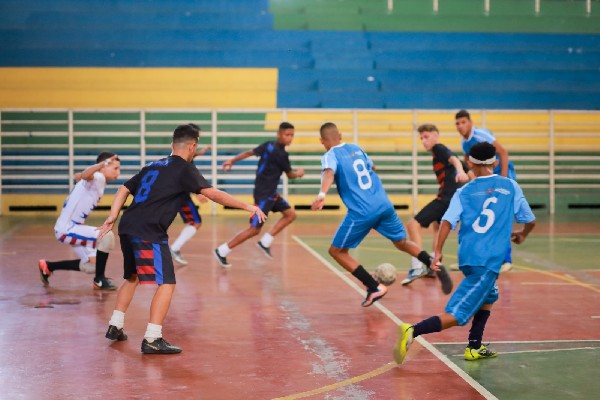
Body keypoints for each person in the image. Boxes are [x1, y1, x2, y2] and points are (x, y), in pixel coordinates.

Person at [98, 123, 266, 354]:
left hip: (127, 225)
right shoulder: (184, 168)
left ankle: (115, 325)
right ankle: (153, 338)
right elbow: (213, 194)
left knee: (132, 276)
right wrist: (248, 205)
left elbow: (123, 190)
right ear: (193, 146)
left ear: (172, 144)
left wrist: (112, 216)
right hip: (149, 231)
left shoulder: (152, 166)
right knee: (166, 282)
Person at [394, 142, 536, 365]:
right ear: (495, 163)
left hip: (469, 258)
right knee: (458, 315)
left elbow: (446, 222)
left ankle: (474, 346)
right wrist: (523, 234)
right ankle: (412, 331)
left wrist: (438, 252)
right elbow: (529, 220)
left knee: (490, 296)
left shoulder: (463, 191)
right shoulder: (510, 186)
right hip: (487, 261)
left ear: (469, 163)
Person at [311, 122, 453, 307]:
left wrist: (322, 194)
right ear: (340, 135)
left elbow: (329, 172)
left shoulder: (330, 155)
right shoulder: (356, 148)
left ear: (322, 141)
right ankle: (433, 263)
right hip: (383, 204)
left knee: (336, 251)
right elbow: (372, 168)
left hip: (362, 210)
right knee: (401, 242)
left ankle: (373, 287)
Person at [214, 122, 304, 268]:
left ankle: (265, 241)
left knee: (290, 215)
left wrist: (232, 160)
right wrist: (299, 174)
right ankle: (222, 251)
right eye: (287, 135)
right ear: (279, 134)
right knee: (254, 229)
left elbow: (249, 152)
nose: (290, 138)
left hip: (271, 194)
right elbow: (291, 175)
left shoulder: (268, 145)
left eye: (292, 135)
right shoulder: (281, 154)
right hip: (264, 196)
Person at [38, 152, 121, 290]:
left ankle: (48, 266)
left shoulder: (97, 179)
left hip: (71, 227)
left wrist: (80, 176)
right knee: (106, 235)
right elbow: (84, 176)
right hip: (67, 229)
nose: (118, 172)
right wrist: (99, 165)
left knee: (93, 265)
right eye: (115, 168)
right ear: (103, 167)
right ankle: (99, 280)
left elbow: (80, 176)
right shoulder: (99, 177)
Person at [401, 124, 470, 286]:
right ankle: (433, 266)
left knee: (412, 225)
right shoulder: (437, 152)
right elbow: (469, 170)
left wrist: (460, 171)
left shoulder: (439, 148)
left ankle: (417, 266)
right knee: (436, 227)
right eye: (421, 138)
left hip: (446, 199)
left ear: (436, 136)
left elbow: (455, 160)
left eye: (426, 137)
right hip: (451, 199)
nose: (423, 141)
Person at [455, 109, 516, 272]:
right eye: (457, 124)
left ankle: (506, 260)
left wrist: (503, 180)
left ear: (470, 123)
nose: (460, 126)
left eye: (463, 122)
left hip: (502, 173)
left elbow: (503, 152)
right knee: (482, 214)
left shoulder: (481, 135)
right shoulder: (464, 143)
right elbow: (470, 165)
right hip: (486, 178)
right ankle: (475, 258)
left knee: (500, 215)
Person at [170, 144, 211, 265]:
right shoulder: (183, 161)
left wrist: (201, 152)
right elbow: (184, 178)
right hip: (181, 196)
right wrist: (197, 192)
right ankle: (174, 248)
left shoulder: (181, 154)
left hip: (176, 194)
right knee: (195, 222)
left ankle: (170, 249)